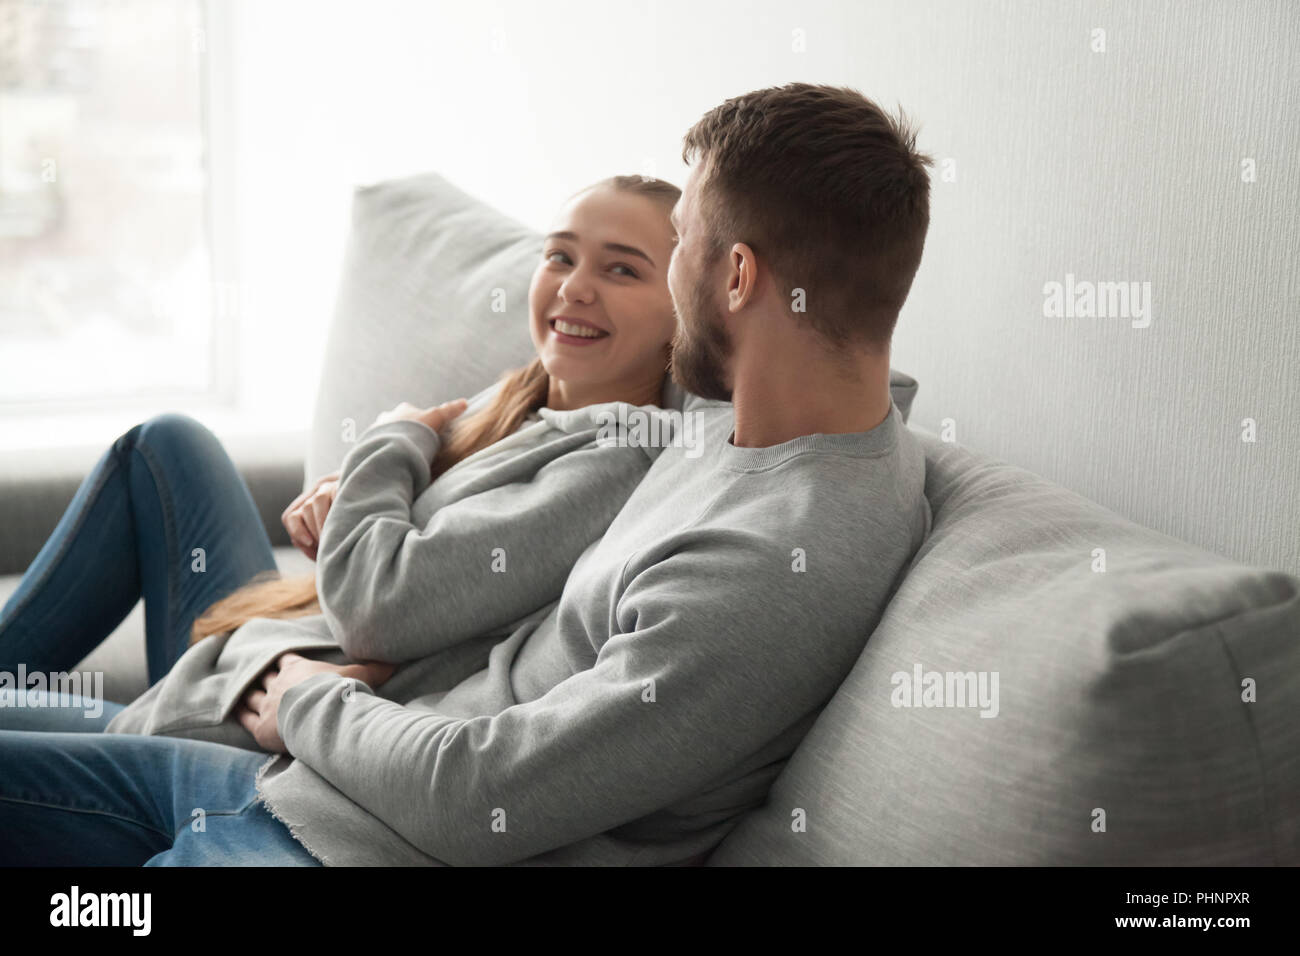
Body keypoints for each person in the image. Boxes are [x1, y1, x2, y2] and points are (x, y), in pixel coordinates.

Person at [0, 81, 935, 868]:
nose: (587, 284)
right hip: (319, 787)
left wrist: (311, 697)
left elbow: (478, 794)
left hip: (344, 840)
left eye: (676, 242)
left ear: (733, 276)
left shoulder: (772, 564)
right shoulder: (765, 421)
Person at [0, 174, 685, 864]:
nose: (573, 287)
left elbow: (378, 610)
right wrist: (342, 504)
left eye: (622, 269)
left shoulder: (617, 462)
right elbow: (377, 557)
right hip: (263, 648)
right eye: (560, 256)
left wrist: (389, 443)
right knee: (165, 446)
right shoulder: (518, 398)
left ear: (683, 310)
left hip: (268, 699)